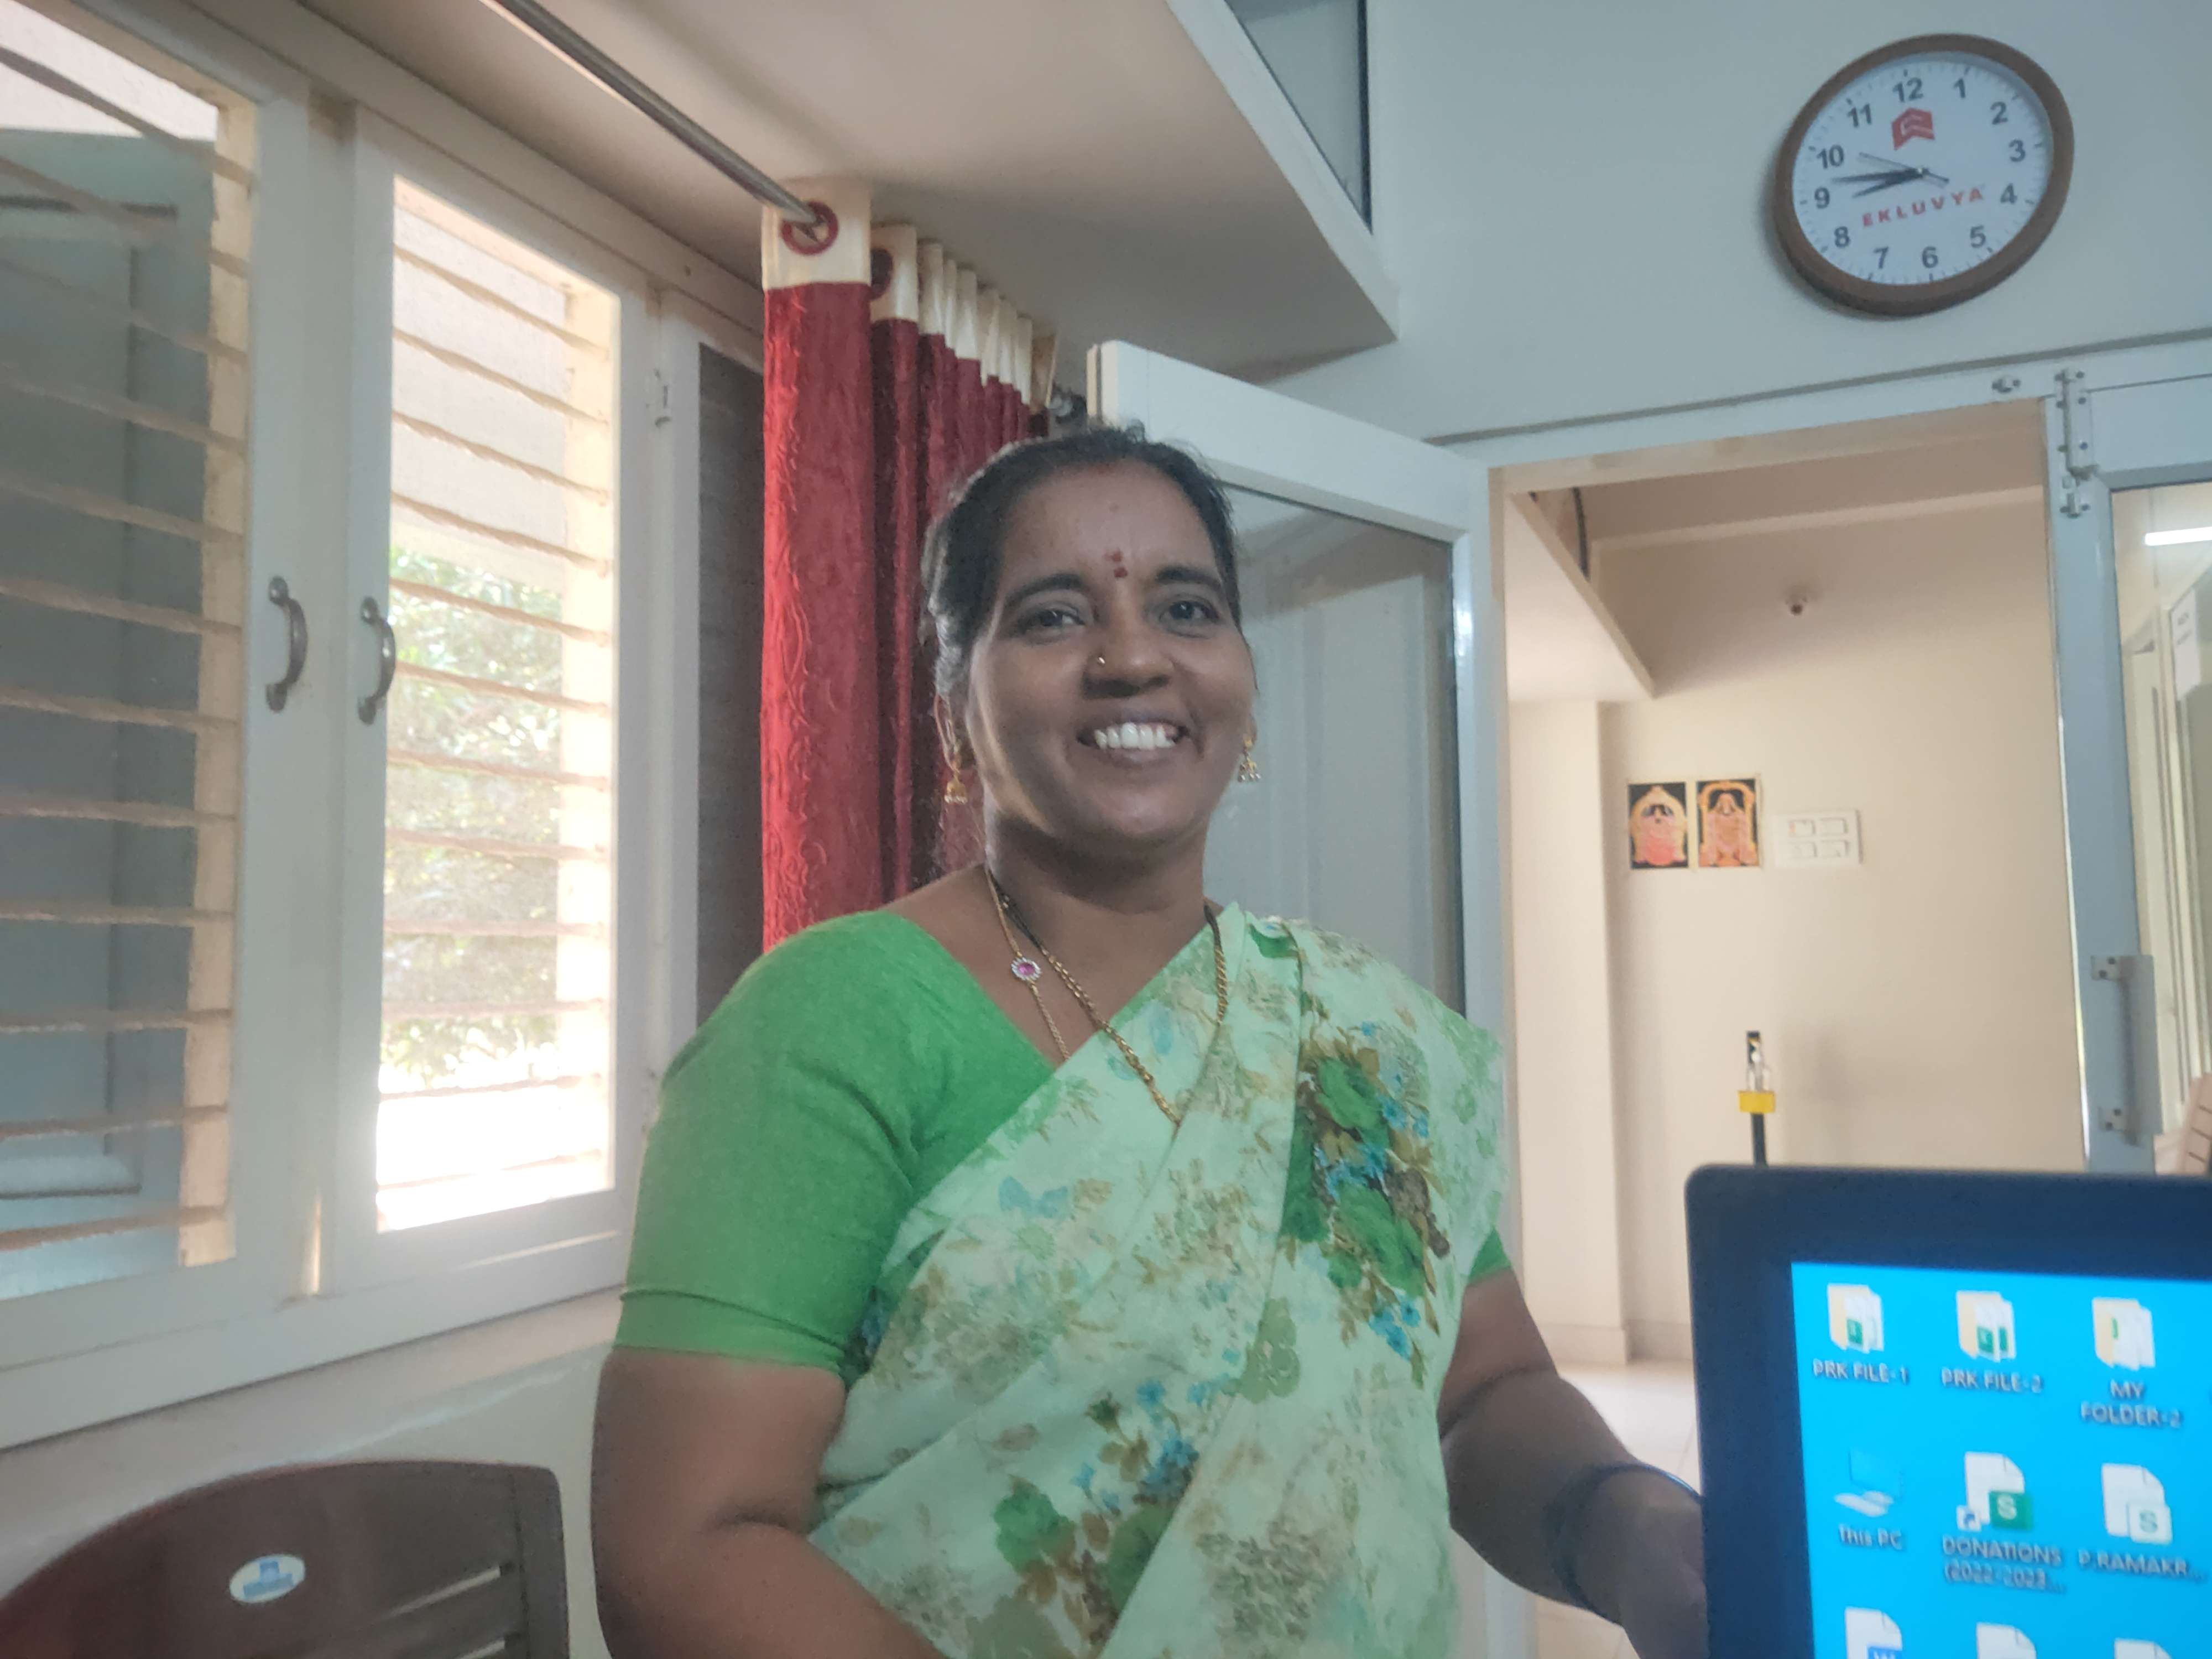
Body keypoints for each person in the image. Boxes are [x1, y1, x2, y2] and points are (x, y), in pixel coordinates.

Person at [592, 427, 1708, 1658]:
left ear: (1241, 686)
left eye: (1186, 608)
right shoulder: (831, 1019)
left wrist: (1627, 1527)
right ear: (956, 714)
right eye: (1052, 617)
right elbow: (685, 1551)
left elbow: (1484, 1394)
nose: (1132, 658)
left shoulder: (1356, 1033)